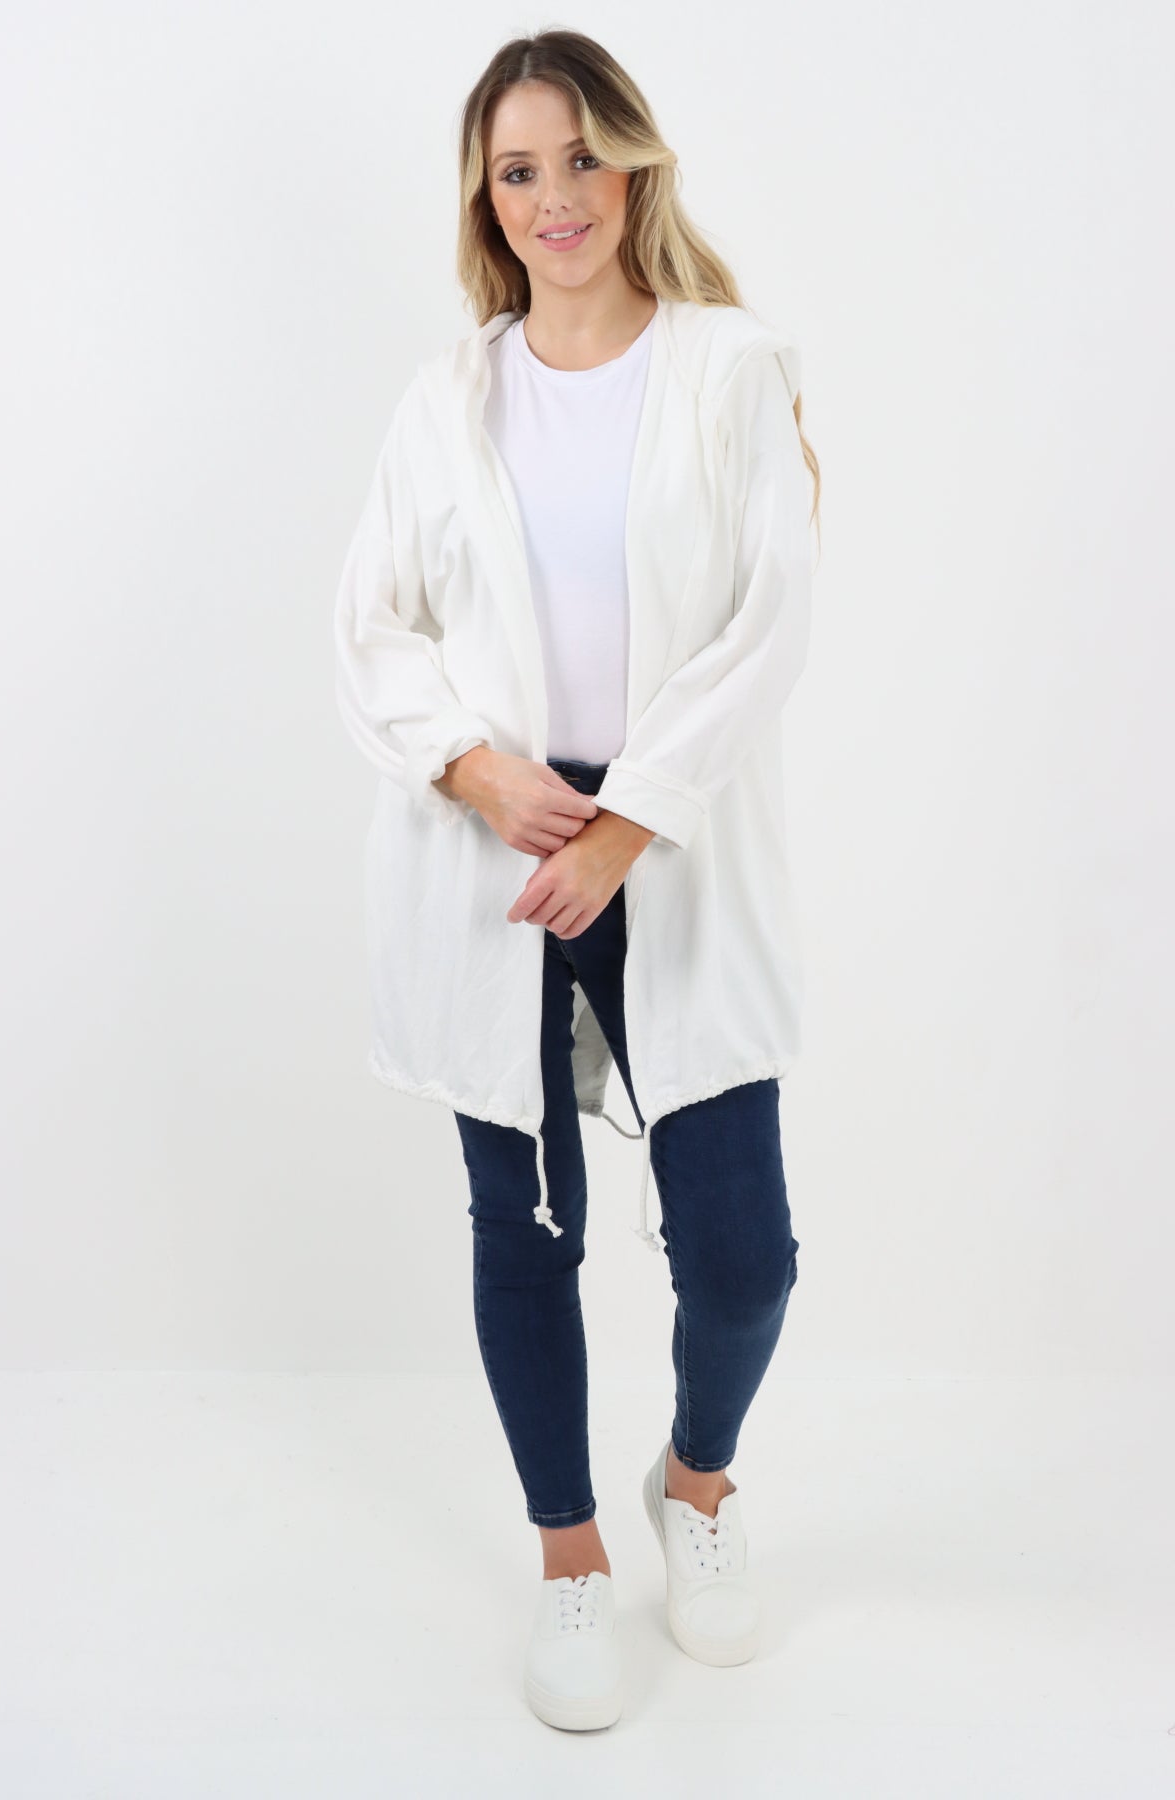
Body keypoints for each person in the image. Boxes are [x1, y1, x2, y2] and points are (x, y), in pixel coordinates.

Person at [333, 28, 820, 1733]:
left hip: (671, 845)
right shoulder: (446, 398)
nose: (557, 199)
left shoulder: (730, 368)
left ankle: (696, 1482)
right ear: (488, 196)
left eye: (583, 159)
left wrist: (630, 825)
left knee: (743, 1254)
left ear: (636, 163)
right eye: (519, 170)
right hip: (496, 851)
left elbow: (771, 621)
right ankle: (568, 1556)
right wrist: (478, 773)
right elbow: (370, 626)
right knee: (524, 1232)